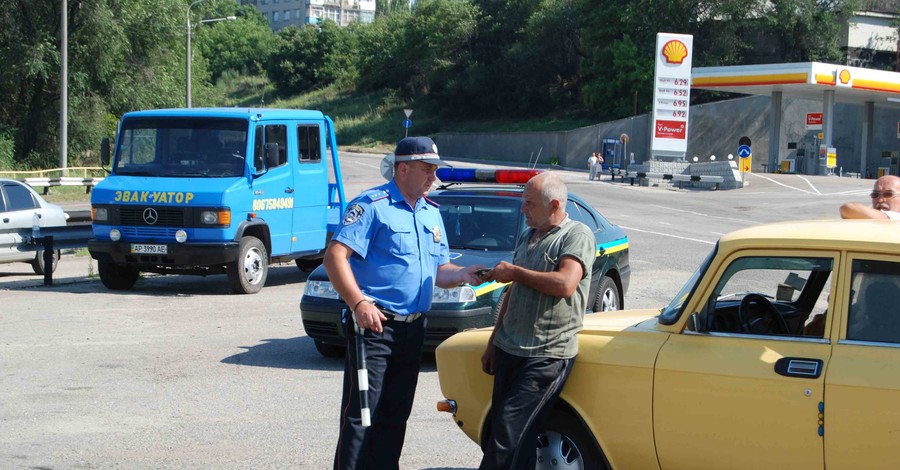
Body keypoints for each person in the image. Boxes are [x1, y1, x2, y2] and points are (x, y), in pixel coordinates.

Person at [325, 136, 484, 470]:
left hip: (413, 329)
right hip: (375, 326)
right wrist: (358, 304)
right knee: (362, 415)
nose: (433, 177)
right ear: (403, 168)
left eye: (435, 170)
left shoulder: (430, 212)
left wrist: (465, 273)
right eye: (426, 170)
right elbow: (335, 257)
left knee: (395, 414)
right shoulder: (372, 205)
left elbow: (440, 270)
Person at [478, 172, 596, 470]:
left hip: (544, 355)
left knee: (507, 437)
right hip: (510, 349)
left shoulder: (576, 235)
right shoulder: (528, 235)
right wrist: (494, 341)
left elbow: (565, 284)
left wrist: (515, 273)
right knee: (510, 437)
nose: (523, 209)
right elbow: (513, 292)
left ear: (554, 204)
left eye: (529, 203)